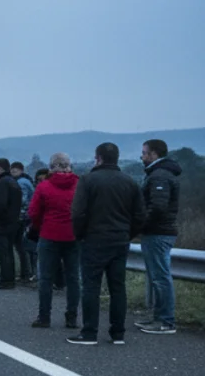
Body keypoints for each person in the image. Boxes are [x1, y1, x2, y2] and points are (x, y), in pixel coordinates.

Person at [68, 142, 145, 345]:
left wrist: (80, 234)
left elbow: (77, 212)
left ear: (98, 158)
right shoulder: (130, 182)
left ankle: (89, 332)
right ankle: (118, 333)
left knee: (91, 286)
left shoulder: (88, 180)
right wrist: (128, 233)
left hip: (94, 239)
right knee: (117, 287)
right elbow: (140, 215)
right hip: (120, 239)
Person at [27, 153, 80, 329]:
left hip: (49, 234)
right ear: (69, 166)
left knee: (45, 279)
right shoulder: (79, 185)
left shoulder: (44, 187)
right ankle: (71, 317)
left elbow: (34, 212)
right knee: (73, 278)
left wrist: (40, 227)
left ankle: (44, 316)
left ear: (51, 167)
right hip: (73, 235)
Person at [137, 139, 181, 335]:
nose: (142, 157)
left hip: (157, 232)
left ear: (154, 154)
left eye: (144, 153)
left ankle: (165, 320)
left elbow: (158, 207)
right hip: (159, 231)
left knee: (160, 277)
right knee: (157, 277)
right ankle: (159, 317)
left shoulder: (159, 176)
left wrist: (141, 224)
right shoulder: (160, 174)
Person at [0, 158, 26, 289]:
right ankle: (9, 277)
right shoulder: (12, 181)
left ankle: (6, 279)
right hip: (12, 223)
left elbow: (0, 205)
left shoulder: (2, 183)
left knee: (3, 252)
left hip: (1, 224)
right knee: (9, 251)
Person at [12, 161, 38, 283]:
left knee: (22, 246)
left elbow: (21, 200)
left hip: (23, 217)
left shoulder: (21, 182)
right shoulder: (26, 181)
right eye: (12, 170)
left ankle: (26, 273)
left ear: (21, 170)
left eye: (15, 170)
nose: (13, 172)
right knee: (24, 247)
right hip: (28, 216)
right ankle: (28, 273)